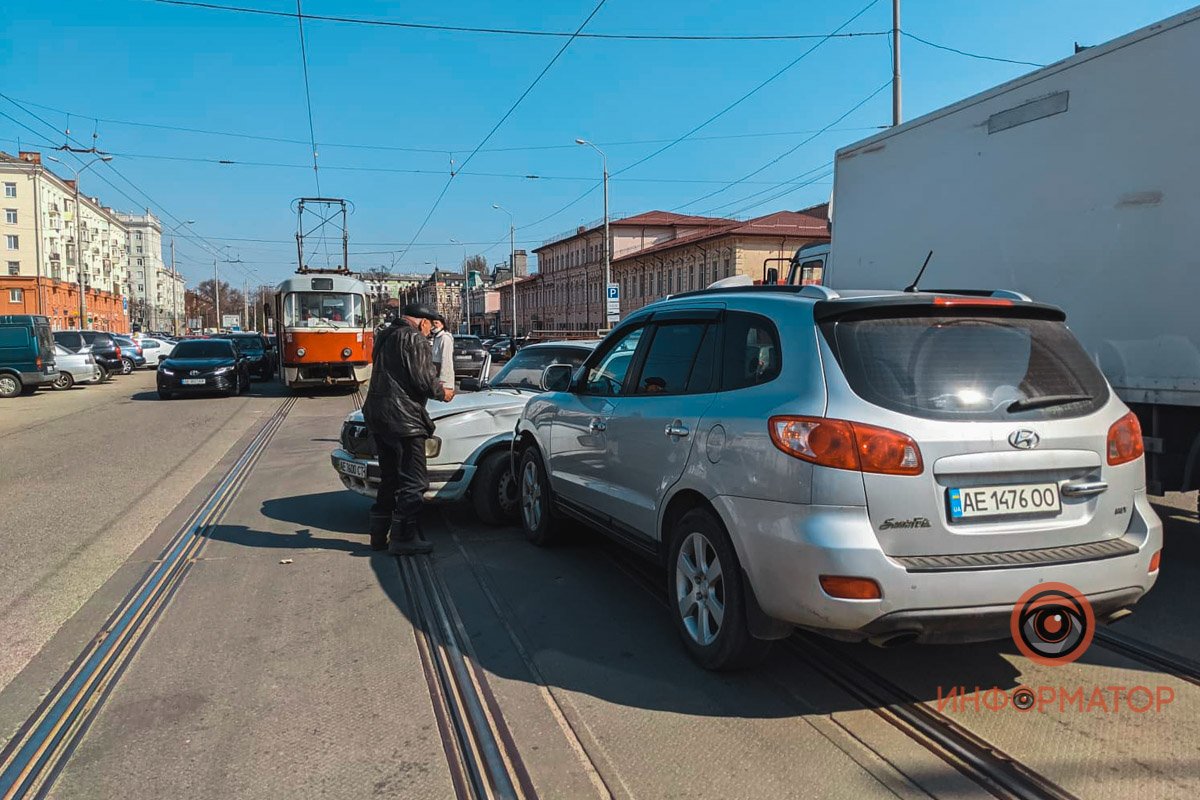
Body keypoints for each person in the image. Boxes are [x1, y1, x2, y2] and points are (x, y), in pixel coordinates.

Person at [361, 302, 454, 554]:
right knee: (414, 480)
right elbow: (423, 379)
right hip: (404, 420)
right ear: (423, 322)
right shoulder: (414, 338)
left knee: (389, 478)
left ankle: (378, 536)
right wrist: (443, 392)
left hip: (378, 416)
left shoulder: (385, 334)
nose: (429, 333)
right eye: (429, 327)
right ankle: (404, 538)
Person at [429, 313, 456, 390]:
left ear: (443, 324)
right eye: (432, 323)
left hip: (443, 379)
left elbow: (446, 360)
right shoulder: (436, 337)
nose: (434, 325)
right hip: (436, 376)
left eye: (436, 323)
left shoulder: (445, 338)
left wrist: (444, 380)